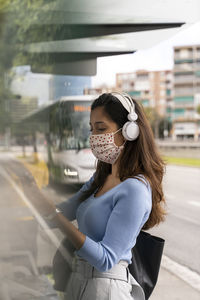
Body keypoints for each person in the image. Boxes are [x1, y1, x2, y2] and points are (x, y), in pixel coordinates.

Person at [43, 92, 166, 300]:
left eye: (101, 129)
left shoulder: (135, 189)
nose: (94, 138)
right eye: (92, 129)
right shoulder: (100, 178)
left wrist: (58, 219)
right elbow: (63, 210)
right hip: (78, 280)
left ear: (130, 131)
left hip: (106, 288)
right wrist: (32, 196)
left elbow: (105, 258)